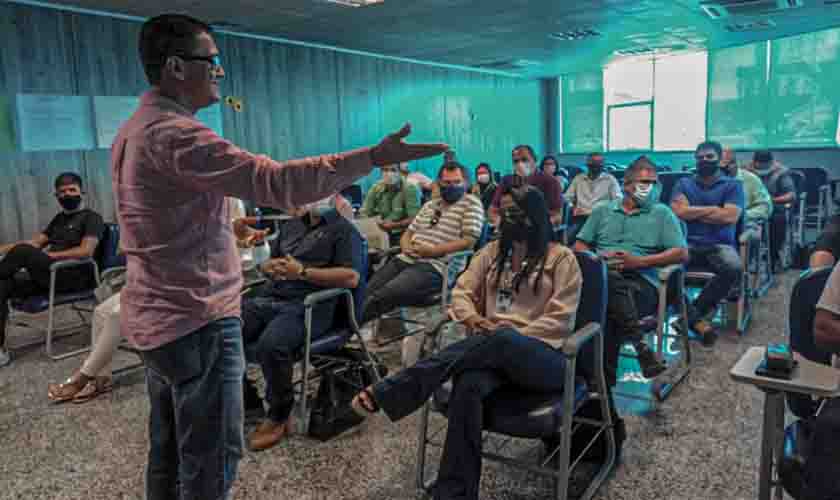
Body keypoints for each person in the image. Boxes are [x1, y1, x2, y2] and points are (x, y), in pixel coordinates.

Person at [116, 14, 446, 500]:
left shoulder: (134, 129)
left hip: (156, 316)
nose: (220, 72)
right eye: (212, 61)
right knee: (208, 458)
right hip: (195, 320)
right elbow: (280, 183)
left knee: (169, 450)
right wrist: (373, 157)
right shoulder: (177, 135)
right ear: (175, 67)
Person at [351, 185, 582, 500]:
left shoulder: (561, 258)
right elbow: (461, 292)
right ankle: (455, 492)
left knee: (502, 339)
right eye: (505, 211)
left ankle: (396, 388)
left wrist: (510, 337)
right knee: (469, 384)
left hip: (545, 357)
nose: (508, 218)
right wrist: (472, 319)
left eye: (516, 212)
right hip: (488, 351)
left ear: (535, 216)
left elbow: (561, 319)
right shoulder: (490, 253)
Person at [46, 198, 268, 403]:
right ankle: (101, 378)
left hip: (201, 286)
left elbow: (245, 258)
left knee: (117, 315)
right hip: (165, 279)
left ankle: (83, 376)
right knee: (102, 312)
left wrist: (245, 241)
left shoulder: (229, 206)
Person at [241, 200, 362, 451]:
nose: (305, 199)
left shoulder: (344, 231)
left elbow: (351, 278)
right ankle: (246, 399)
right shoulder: (292, 226)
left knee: (271, 345)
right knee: (225, 328)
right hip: (272, 295)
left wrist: (303, 272)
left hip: (311, 304)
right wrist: (268, 266)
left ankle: (279, 415)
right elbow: (270, 261)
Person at [575, 157, 688, 382]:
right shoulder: (602, 211)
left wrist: (638, 262)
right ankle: (639, 346)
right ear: (627, 185)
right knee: (607, 289)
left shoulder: (662, 213)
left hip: (641, 282)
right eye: (645, 182)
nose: (652, 188)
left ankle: (599, 388)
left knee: (604, 311)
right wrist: (596, 258)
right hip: (603, 276)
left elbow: (681, 253)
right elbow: (579, 245)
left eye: (655, 183)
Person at [361, 162, 484, 343]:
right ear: (438, 183)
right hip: (407, 258)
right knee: (366, 292)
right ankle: (347, 328)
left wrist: (434, 251)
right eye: (446, 182)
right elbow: (409, 233)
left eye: (456, 182)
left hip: (436, 267)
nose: (450, 187)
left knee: (384, 295)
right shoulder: (430, 205)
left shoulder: (471, 204)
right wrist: (405, 246)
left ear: (466, 183)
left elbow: (469, 241)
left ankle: (344, 330)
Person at [0, 172, 105, 368]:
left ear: (82, 192)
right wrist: (4, 248)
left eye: (72, 190)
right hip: (50, 275)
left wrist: (48, 257)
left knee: (23, 252)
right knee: (3, 283)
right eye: (62, 192)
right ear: (56, 197)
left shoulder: (92, 218)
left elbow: (86, 251)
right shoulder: (59, 220)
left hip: (74, 276)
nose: (67, 195)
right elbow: (33, 243)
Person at [670, 141, 745, 346]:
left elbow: (730, 217)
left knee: (734, 268)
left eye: (709, 157)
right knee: (666, 270)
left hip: (720, 244)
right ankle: (695, 321)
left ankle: (691, 315)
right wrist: (714, 209)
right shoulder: (683, 183)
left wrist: (693, 211)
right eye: (700, 157)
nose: (704, 161)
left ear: (719, 160)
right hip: (686, 243)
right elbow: (679, 212)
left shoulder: (733, 185)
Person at [489, 145, 565, 227]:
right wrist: (498, 221)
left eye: (524, 159)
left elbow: (557, 216)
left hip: (538, 231)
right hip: (508, 229)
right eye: (516, 161)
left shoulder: (551, 182)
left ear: (535, 160)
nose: (520, 164)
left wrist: (539, 227)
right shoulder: (506, 181)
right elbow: (492, 210)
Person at [749, 150, 795, 271]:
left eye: (765, 166)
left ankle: (773, 258)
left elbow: (790, 195)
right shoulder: (745, 171)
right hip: (751, 208)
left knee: (777, 221)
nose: (762, 169)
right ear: (753, 162)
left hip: (773, 208)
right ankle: (746, 260)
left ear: (771, 162)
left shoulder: (781, 172)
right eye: (759, 165)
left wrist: (771, 200)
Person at [360, 162, 422, 246]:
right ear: (381, 172)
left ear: (400, 172)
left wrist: (395, 225)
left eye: (393, 170)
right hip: (380, 231)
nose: (389, 174)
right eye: (385, 170)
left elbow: (415, 219)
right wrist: (372, 223)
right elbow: (365, 213)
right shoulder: (376, 188)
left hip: (402, 234)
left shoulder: (410, 189)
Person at [565, 152, 622, 243]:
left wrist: (606, 209)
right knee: (568, 240)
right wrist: (572, 207)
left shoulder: (610, 179)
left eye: (598, 164)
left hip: (602, 218)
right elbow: (567, 198)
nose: (595, 167)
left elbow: (618, 200)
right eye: (592, 164)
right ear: (587, 165)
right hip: (581, 217)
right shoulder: (578, 179)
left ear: (603, 165)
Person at [721, 148, 772, 229]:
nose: (729, 168)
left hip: (745, 222)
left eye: (731, 163)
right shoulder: (708, 180)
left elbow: (765, 207)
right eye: (723, 165)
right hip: (716, 222)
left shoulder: (751, 179)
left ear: (737, 163)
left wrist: (743, 215)